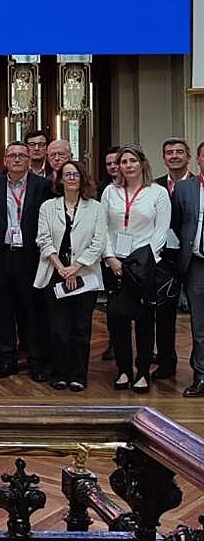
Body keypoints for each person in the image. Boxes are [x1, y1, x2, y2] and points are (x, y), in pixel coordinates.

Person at [101, 146, 170, 394]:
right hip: (115, 264)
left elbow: (161, 232)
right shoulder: (110, 192)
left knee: (143, 321)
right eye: (123, 162)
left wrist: (140, 262)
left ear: (142, 164)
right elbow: (104, 228)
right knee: (117, 320)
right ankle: (123, 370)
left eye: (132, 161)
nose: (128, 165)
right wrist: (110, 258)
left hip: (144, 266)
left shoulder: (158, 193)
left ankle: (141, 372)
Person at [35, 159, 107, 392]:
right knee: (58, 329)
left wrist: (75, 267)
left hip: (85, 275)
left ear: (82, 178)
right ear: (60, 180)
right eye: (67, 175)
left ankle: (78, 375)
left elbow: (98, 243)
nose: (71, 178)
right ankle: (59, 373)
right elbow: (43, 240)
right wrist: (61, 268)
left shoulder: (95, 207)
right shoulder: (48, 207)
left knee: (80, 328)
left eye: (75, 174)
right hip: (55, 272)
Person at [0, 141, 52, 380]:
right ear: (5, 160)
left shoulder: (43, 185)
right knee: (3, 311)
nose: (16, 160)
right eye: (12, 155)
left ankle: (36, 361)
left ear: (29, 160)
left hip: (30, 256)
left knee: (32, 312)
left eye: (21, 156)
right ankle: (8, 360)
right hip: (2, 256)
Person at [153, 137, 192, 381]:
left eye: (179, 152)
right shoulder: (155, 187)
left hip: (193, 258)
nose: (174, 156)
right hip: (164, 258)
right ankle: (166, 363)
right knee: (164, 315)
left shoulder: (199, 185)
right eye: (169, 152)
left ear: (188, 157)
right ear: (164, 158)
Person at [171, 140, 204, 398]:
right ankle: (201, 376)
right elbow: (177, 224)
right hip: (196, 264)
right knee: (199, 324)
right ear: (198, 160)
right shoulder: (184, 188)